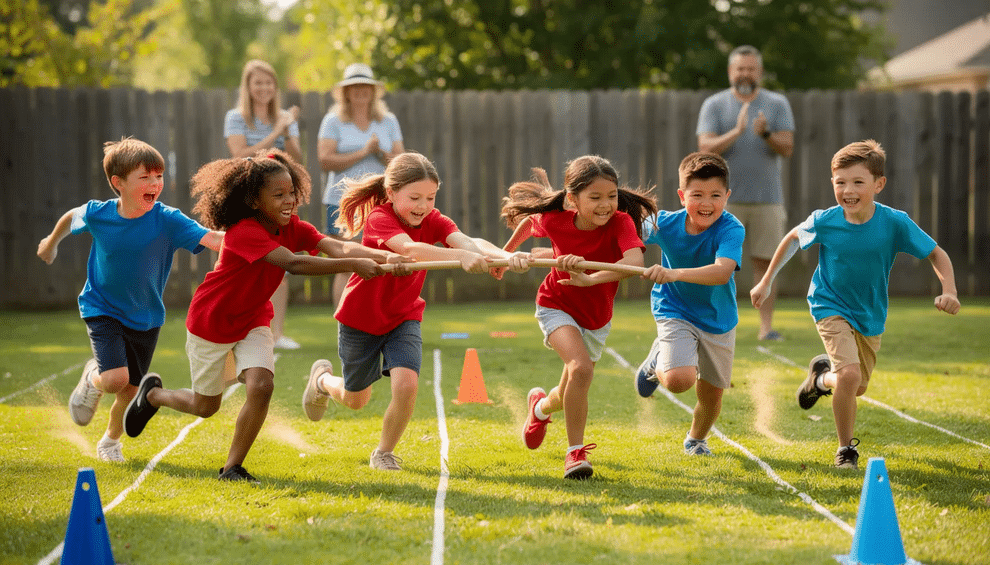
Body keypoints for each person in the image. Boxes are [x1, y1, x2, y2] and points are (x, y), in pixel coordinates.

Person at [123, 149, 406, 483]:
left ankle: (232, 468)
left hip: (254, 318)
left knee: (261, 385)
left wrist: (383, 257)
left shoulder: (293, 226)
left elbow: (336, 246)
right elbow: (294, 263)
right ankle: (153, 394)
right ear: (254, 201)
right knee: (205, 406)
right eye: (278, 195)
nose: (289, 201)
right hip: (211, 323)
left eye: (292, 193)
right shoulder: (244, 232)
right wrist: (356, 265)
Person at [302, 151, 529, 472]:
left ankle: (383, 452)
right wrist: (458, 257)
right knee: (356, 400)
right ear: (392, 193)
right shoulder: (380, 219)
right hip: (360, 319)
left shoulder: (434, 219)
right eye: (415, 198)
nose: (423, 206)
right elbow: (409, 249)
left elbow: (468, 240)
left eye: (431, 197)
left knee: (407, 385)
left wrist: (507, 257)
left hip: (403, 316)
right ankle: (323, 381)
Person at [751, 140, 960, 469]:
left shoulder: (894, 222)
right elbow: (792, 238)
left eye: (857, 182)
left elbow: (937, 253)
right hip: (828, 303)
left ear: (878, 184)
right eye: (840, 182)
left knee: (855, 385)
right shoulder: (826, 220)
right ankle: (845, 449)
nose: (848, 190)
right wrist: (766, 281)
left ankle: (820, 379)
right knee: (849, 375)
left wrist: (949, 290)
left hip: (870, 314)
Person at [36, 137, 223, 462]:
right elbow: (70, 216)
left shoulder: (168, 219)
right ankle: (94, 377)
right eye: (145, 177)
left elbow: (212, 239)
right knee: (114, 379)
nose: (155, 184)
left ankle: (109, 442)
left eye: (159, 176)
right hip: (101, 307)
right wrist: (51, 243)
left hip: (146, 316)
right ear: (117, 183)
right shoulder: (99, 214)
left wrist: (253, 242)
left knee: (131, 390)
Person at [500, 155, 657, 479]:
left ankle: (540, 408)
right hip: (556, 303)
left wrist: (590, 276)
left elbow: (634, 260)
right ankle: (575, 454)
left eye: (611, 196)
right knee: (581, 368)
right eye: (595, 198)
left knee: (570, 387)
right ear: (572, 200)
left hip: (596, 317)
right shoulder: (557, 219)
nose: (606, 205)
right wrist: (506, 255)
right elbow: (530, 224)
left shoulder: (621, 223)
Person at [634, 152, 744, 458]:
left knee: (711, 395)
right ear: (682, 196)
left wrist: (673, 273)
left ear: (727, 197)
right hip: (675, 309)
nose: (706, 204)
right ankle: (661, 361)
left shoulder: (731, 229)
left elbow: (722, 272)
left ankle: (696, 439)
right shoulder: (664, 224)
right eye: (697, 195)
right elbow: (623, 234)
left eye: (715, 196)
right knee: (681, 380)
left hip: (718, 318)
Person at [697, 45, 794, 341]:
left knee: (766, 264)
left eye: (751, 68)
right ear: (730, 72)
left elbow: (787, 148)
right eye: (740, 68)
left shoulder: (776, 104)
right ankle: (713, 325)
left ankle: (766, 328)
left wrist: (765, 133)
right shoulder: (714, 104)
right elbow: (705, 148)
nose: (745, 73)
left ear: (760, 72)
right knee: (718, 263)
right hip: (722, 200)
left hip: (768, 199)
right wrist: (736, 132)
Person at [225, 59, 303, 350]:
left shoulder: (283, 117)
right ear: (248, 86)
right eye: (258, 82)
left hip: (278, 197)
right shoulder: (235, 117)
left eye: (269, 82)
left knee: (279, 263)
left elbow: (296, 157)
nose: (264, 88)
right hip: (246, 197)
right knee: (244, 265)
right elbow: (239, 154)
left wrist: (286, 130)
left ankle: (276, 333)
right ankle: (239, 329)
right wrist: (275, 133)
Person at [318, 63, 405, 309]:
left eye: (365, 86)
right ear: (345, 92)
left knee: (384, 260)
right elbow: (325, 160)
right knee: (347, 263)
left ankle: (378, 319)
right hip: (341, 201)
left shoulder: (388, 121)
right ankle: (344, 324)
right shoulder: (333, 121)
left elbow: (400, 162)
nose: (360, 91)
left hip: (380, 202)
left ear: (373, 91)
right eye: (354, 87)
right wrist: (363, 151)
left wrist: (379, 153)